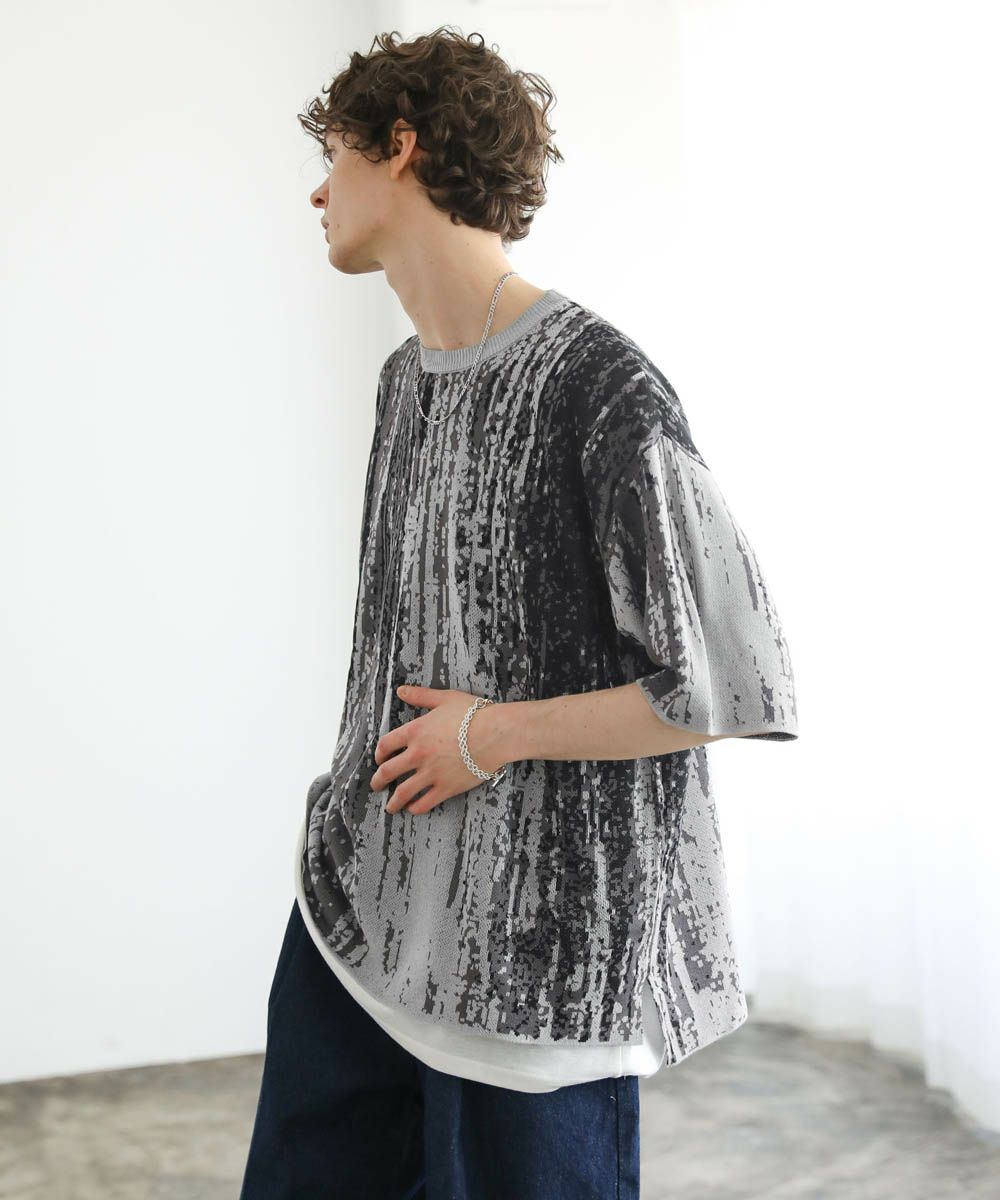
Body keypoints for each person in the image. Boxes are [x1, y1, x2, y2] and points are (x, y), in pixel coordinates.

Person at [239, 24, 798, 1200]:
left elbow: (729, 680)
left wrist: (490, 734)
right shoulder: (403, 380)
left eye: (333, 156)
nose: (316, 191)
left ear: (400, 146)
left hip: (537, 961)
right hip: (359, 913)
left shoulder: (600, 386)